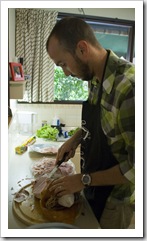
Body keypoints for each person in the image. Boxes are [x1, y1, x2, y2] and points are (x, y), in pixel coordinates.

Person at [46, 17, 135, 229]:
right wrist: (74, 140)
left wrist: (83, 180)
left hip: (114, 201)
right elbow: (101, 126)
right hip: (92, 184)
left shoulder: (130, 89)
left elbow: (137, 167)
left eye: (64, 64)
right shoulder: (95, 78)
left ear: (82, 49)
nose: (66, 73)